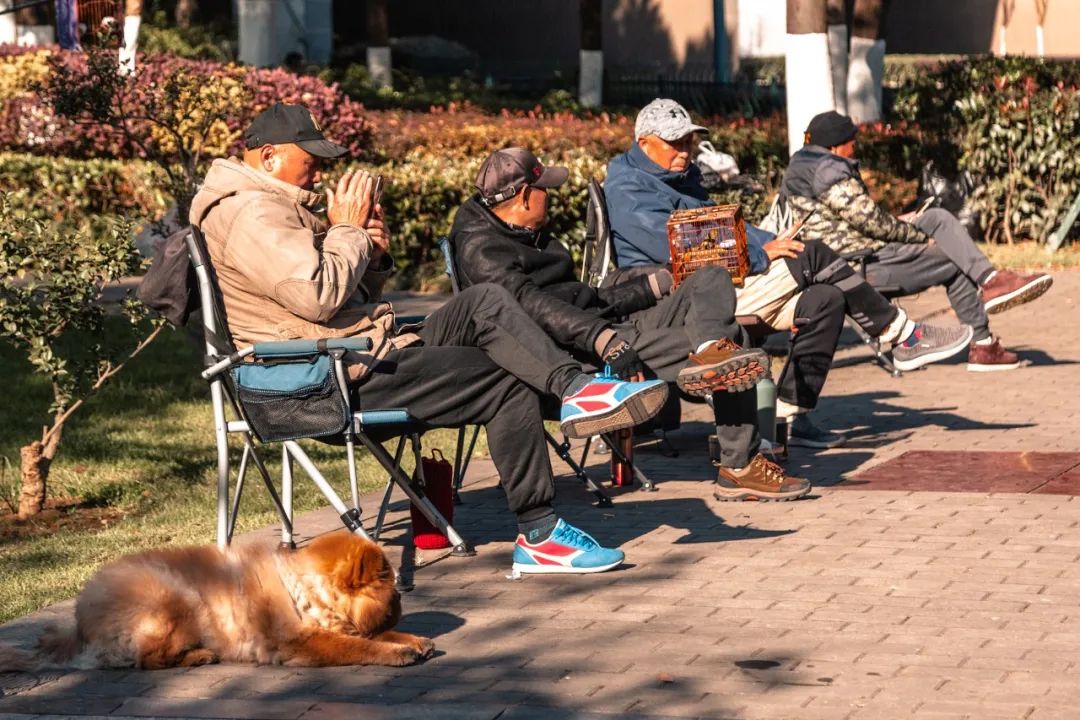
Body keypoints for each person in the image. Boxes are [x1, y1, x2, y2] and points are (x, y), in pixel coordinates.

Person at [188, 103, 671, 576]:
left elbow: (340, 301)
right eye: (310, 163)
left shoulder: (273, 206)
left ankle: (576, 390)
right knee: (507, 378)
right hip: (321, 381)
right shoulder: (251, 213)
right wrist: (347, 230)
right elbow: (317, 296)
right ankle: (541, 533)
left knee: (483, 301)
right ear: (269, 156)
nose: (318, 175)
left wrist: (371, 256)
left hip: (354, 352)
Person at [449, 147, 812, 502]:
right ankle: (739, 466)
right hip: (568, 354)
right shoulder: (482, 250)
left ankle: (711, 350)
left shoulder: (527, 232)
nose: (551, 196)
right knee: (737, 342)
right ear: (526, 195)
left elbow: (583, 299)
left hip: (598, 327)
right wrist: (604, 340)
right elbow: (534, 309)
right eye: (545, 189)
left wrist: (655, 284)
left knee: (710, 274)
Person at [605, 99, 973, 448]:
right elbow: (679, 249)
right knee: (813, 254)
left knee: (825, 299)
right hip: (681, 297)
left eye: (689, 141)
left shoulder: (679, 177)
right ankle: (902, 335)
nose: (685, 151)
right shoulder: (629, 186)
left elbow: (727, 228)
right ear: (644, 143)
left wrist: (773, 240)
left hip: (715, 281)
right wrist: (759, 254)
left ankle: (786, 414)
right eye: (675, 143)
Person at [780, 110, 1053, 371]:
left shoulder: (805, 168)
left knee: (936, 218)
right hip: (858, 268)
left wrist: (906, 222)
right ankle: (984, 343)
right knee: (953, 259)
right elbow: (873, 224)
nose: (855, 149)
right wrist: (919, 237)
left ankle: (991, 281)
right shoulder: (829, 171)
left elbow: (852, 222)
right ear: (836, 146)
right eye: (852, 143)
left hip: (852, 257)